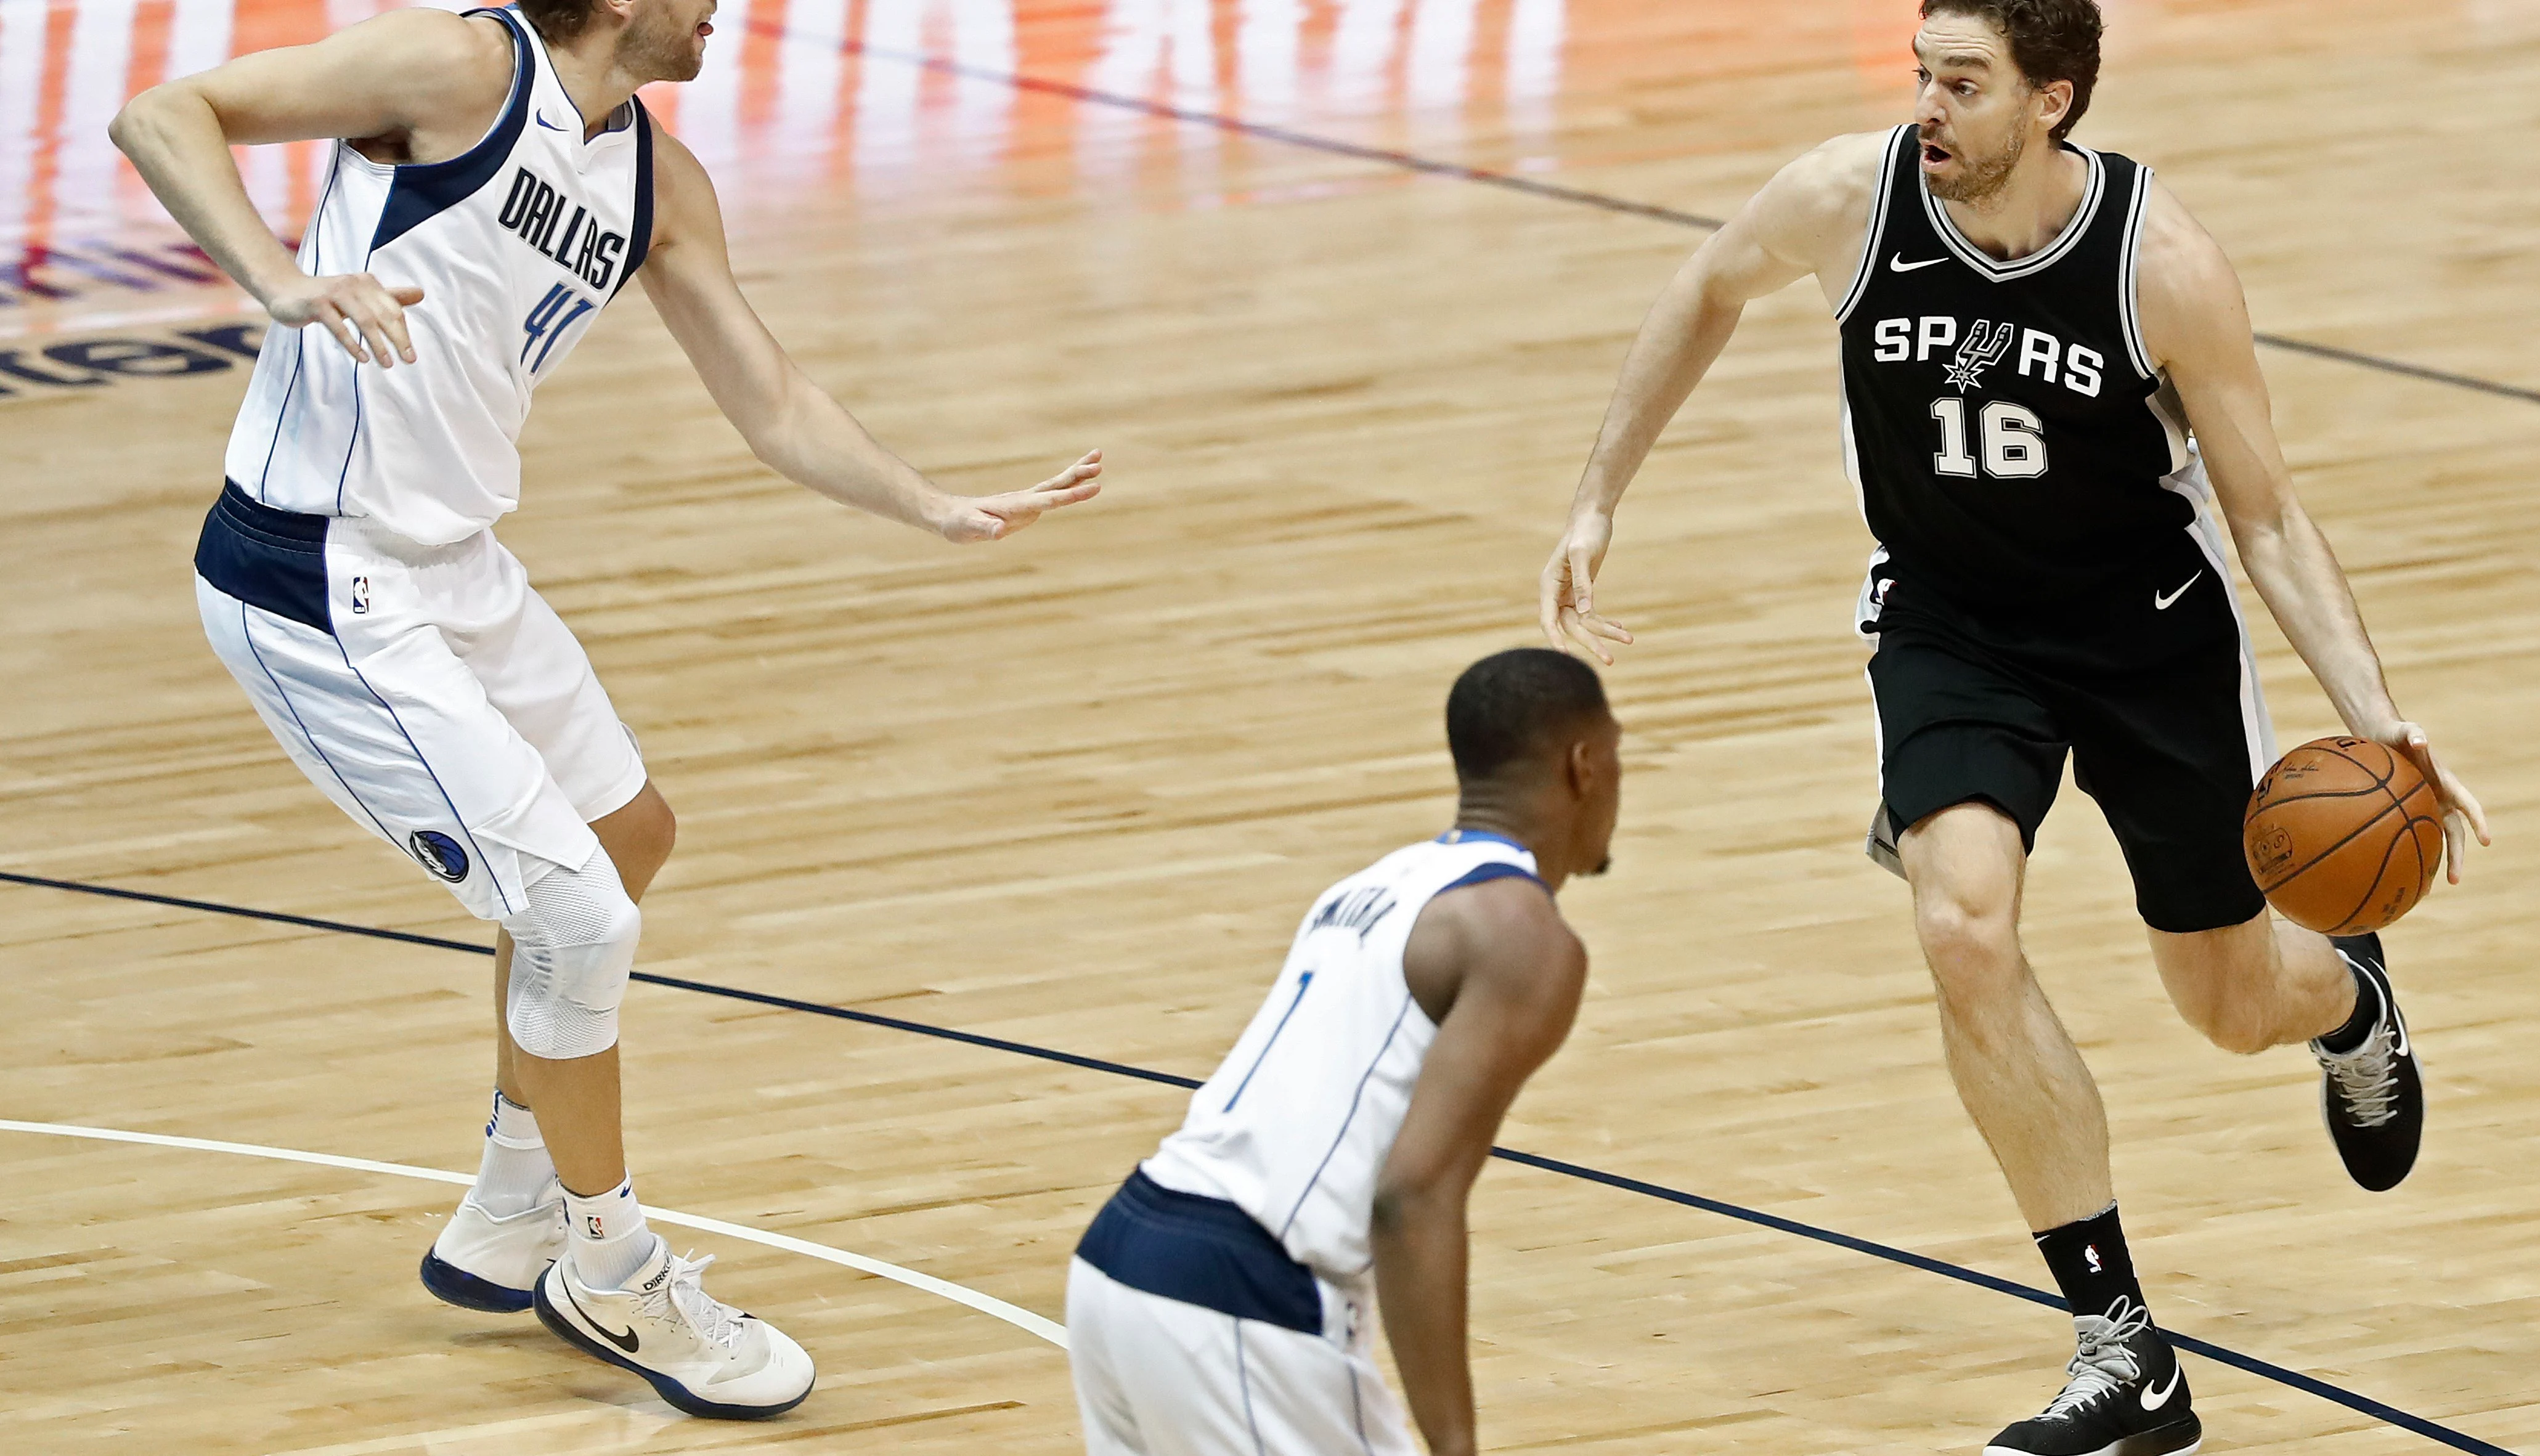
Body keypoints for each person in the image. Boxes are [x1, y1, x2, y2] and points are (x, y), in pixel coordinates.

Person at [110, 0, 1102, 1418]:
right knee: (579, 916)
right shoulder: (461, 67)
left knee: (625, 832)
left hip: (453, 563)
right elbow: (163, 113)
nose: (726, 10)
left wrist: (932, 502)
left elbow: (767, 391)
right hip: (315, 569)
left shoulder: (658, 179)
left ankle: (512, 1201)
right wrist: (278, 279)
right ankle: (610, 1264)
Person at [1533, 3, 2488, 1452]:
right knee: (1962, 925)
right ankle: (2123, 1347)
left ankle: (2349, 1002)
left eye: (1963, 84)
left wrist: (2383, 720)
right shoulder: (1855, 198)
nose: (1928, 104)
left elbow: (2268, 516)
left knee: (2228, 1003)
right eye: (1922, 72)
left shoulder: (2161, 264)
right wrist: (1597, 497)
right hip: (1952, 626)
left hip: (2147, 640)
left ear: (2051, 102)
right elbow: (1709, 285)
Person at [1065, 648, 1619, 1456]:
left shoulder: (1372, 884)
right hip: (1242, 1297)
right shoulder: (1523, 935)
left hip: (1119, 1258)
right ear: (1584, 764)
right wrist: (1454, 1444)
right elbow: (1411, 1196)